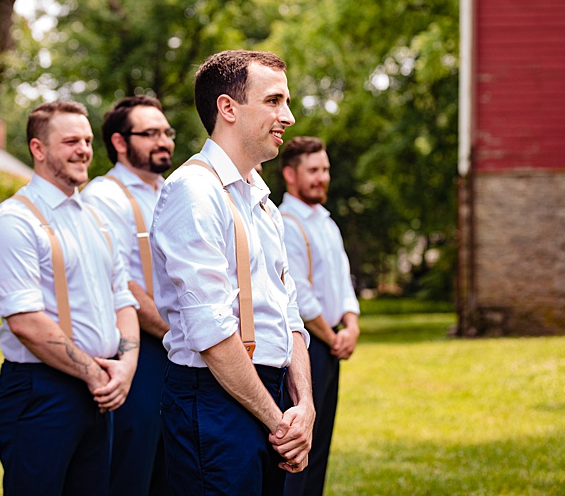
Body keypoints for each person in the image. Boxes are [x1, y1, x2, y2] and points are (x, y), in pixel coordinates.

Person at [150, 49, 315, 495]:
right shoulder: (193, 191)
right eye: (274, 101)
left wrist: (305, 407)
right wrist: (278, 421)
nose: (289, 116)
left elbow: (289, 313)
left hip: (272, 396)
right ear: (228, 108)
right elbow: (213, 333)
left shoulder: (260, 197)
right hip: (213, 400)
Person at [0, 100, 140, 495]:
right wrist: (95, 374)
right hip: (41, 392)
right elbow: (25, 322)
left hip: (101, 389)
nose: (84, 149)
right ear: (38, 149)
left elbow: (123, 299)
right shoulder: (14, 220)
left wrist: (127, 367)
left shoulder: (96, 218)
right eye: (71, 141)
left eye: (86, 140)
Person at [80, 95, 175, 495]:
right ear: (120, 142)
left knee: (174, 471)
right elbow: (124, 285)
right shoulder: (105, 196)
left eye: (167, 132)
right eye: (150, 133)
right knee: (131, 471)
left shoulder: (172, 191)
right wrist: (176, 334)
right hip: (141, 350)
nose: (164, 141)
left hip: (183, 351)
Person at [277, 137, 362, 496]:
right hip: (306, 346)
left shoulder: (327, 223)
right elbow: (300, 295)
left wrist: (352, 325)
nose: (322, 177)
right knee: (300, 446)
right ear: (290, 175)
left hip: (332, 344)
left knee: (323, 441)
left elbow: (343, 281)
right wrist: (332, 336)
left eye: (325, 169)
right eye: (313, 170)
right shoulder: (284, 222)